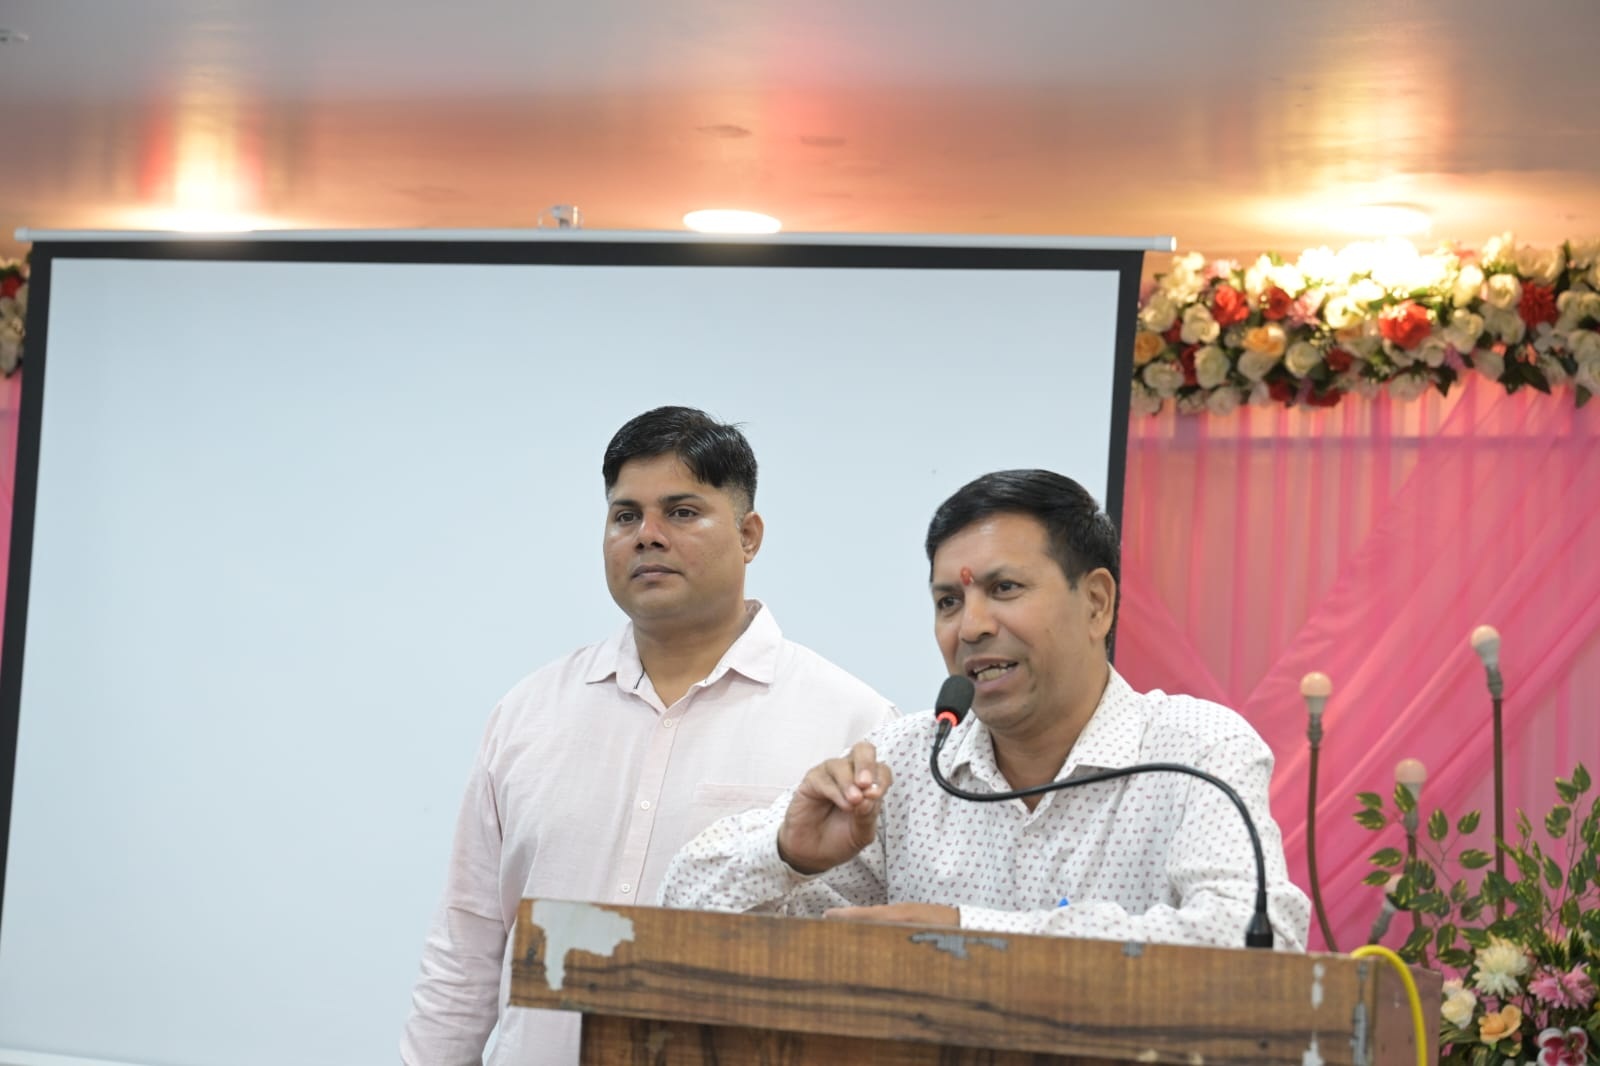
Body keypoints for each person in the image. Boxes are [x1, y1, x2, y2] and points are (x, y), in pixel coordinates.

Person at [401, 406, 898, 1064]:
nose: (647, 536)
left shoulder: (852, 723)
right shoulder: (529, 712)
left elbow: (880, 967)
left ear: (749, 535)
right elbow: (466, 948)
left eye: (682, 512)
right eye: (625, 516)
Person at [659, 469, 1309, 950]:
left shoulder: (1195, 751)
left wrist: (966, 932)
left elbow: (1259, 941)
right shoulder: (906, 763)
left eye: (1005, 589)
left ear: (1096, 603)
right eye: (948, 602)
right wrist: (789, 854)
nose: (970, 628)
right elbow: (680, 910)